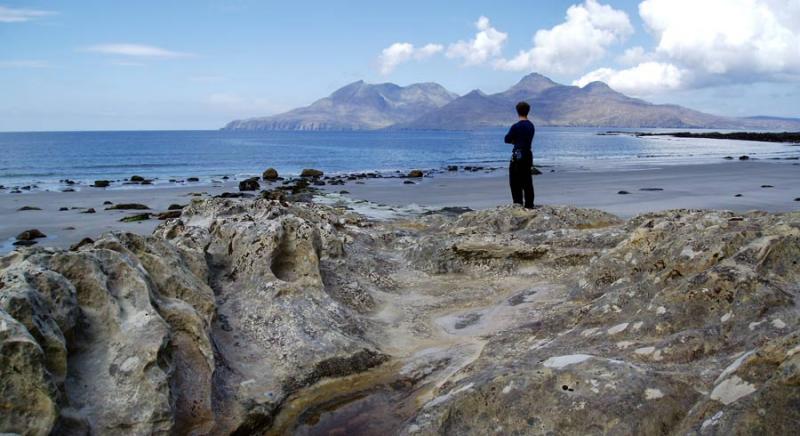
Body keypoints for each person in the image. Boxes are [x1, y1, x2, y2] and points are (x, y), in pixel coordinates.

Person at [504, 101, 535, 209]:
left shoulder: (516, 126)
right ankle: (529, 205)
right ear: (528, 111)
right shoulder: (531, 126)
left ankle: (518, 204)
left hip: (518, 154)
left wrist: (515, 141)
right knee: (527, 180)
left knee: (515, 181)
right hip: (528, 154)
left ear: (517, 112)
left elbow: (506, 139)